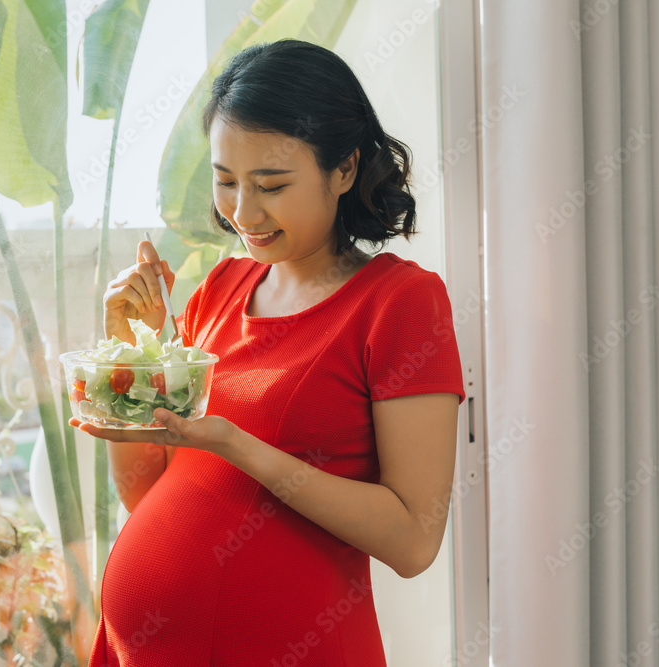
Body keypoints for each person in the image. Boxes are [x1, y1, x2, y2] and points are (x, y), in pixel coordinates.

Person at [70, 38, 466, 666]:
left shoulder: (400, 303)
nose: (242, 212)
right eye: (225, 181)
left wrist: (238, 446)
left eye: (271, 185)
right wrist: (133, 354)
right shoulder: (222, 291)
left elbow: (414, 539)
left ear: (343, 170)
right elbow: (150, 496)